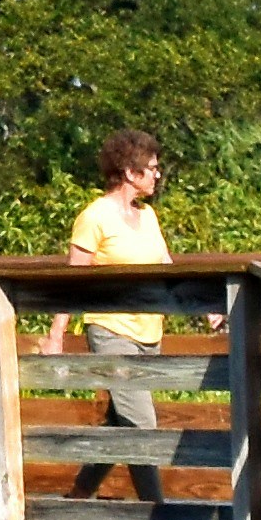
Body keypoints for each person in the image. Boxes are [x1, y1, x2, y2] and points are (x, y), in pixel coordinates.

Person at [64, 128, 173, 475]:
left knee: (120, 422)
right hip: (111, 329)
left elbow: (167, 267)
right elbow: (69, 282)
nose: (157, 174)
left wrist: (209, 308)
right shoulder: (94, 217)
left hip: (148, 332)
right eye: (152, 167)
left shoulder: (149, 217)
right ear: (130, 172)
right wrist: (56, 333)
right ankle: (158, 517)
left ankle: (78, 497)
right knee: (142, 426)